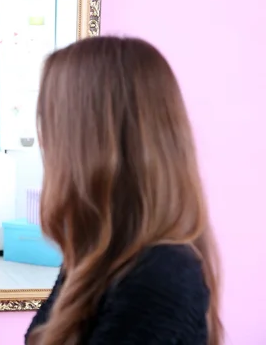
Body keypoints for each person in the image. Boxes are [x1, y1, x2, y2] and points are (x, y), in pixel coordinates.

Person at [25, 36, 223, 344]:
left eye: (48, 123)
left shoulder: (160, 278)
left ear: (88, 142)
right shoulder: (95, 258)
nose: (43, 141)